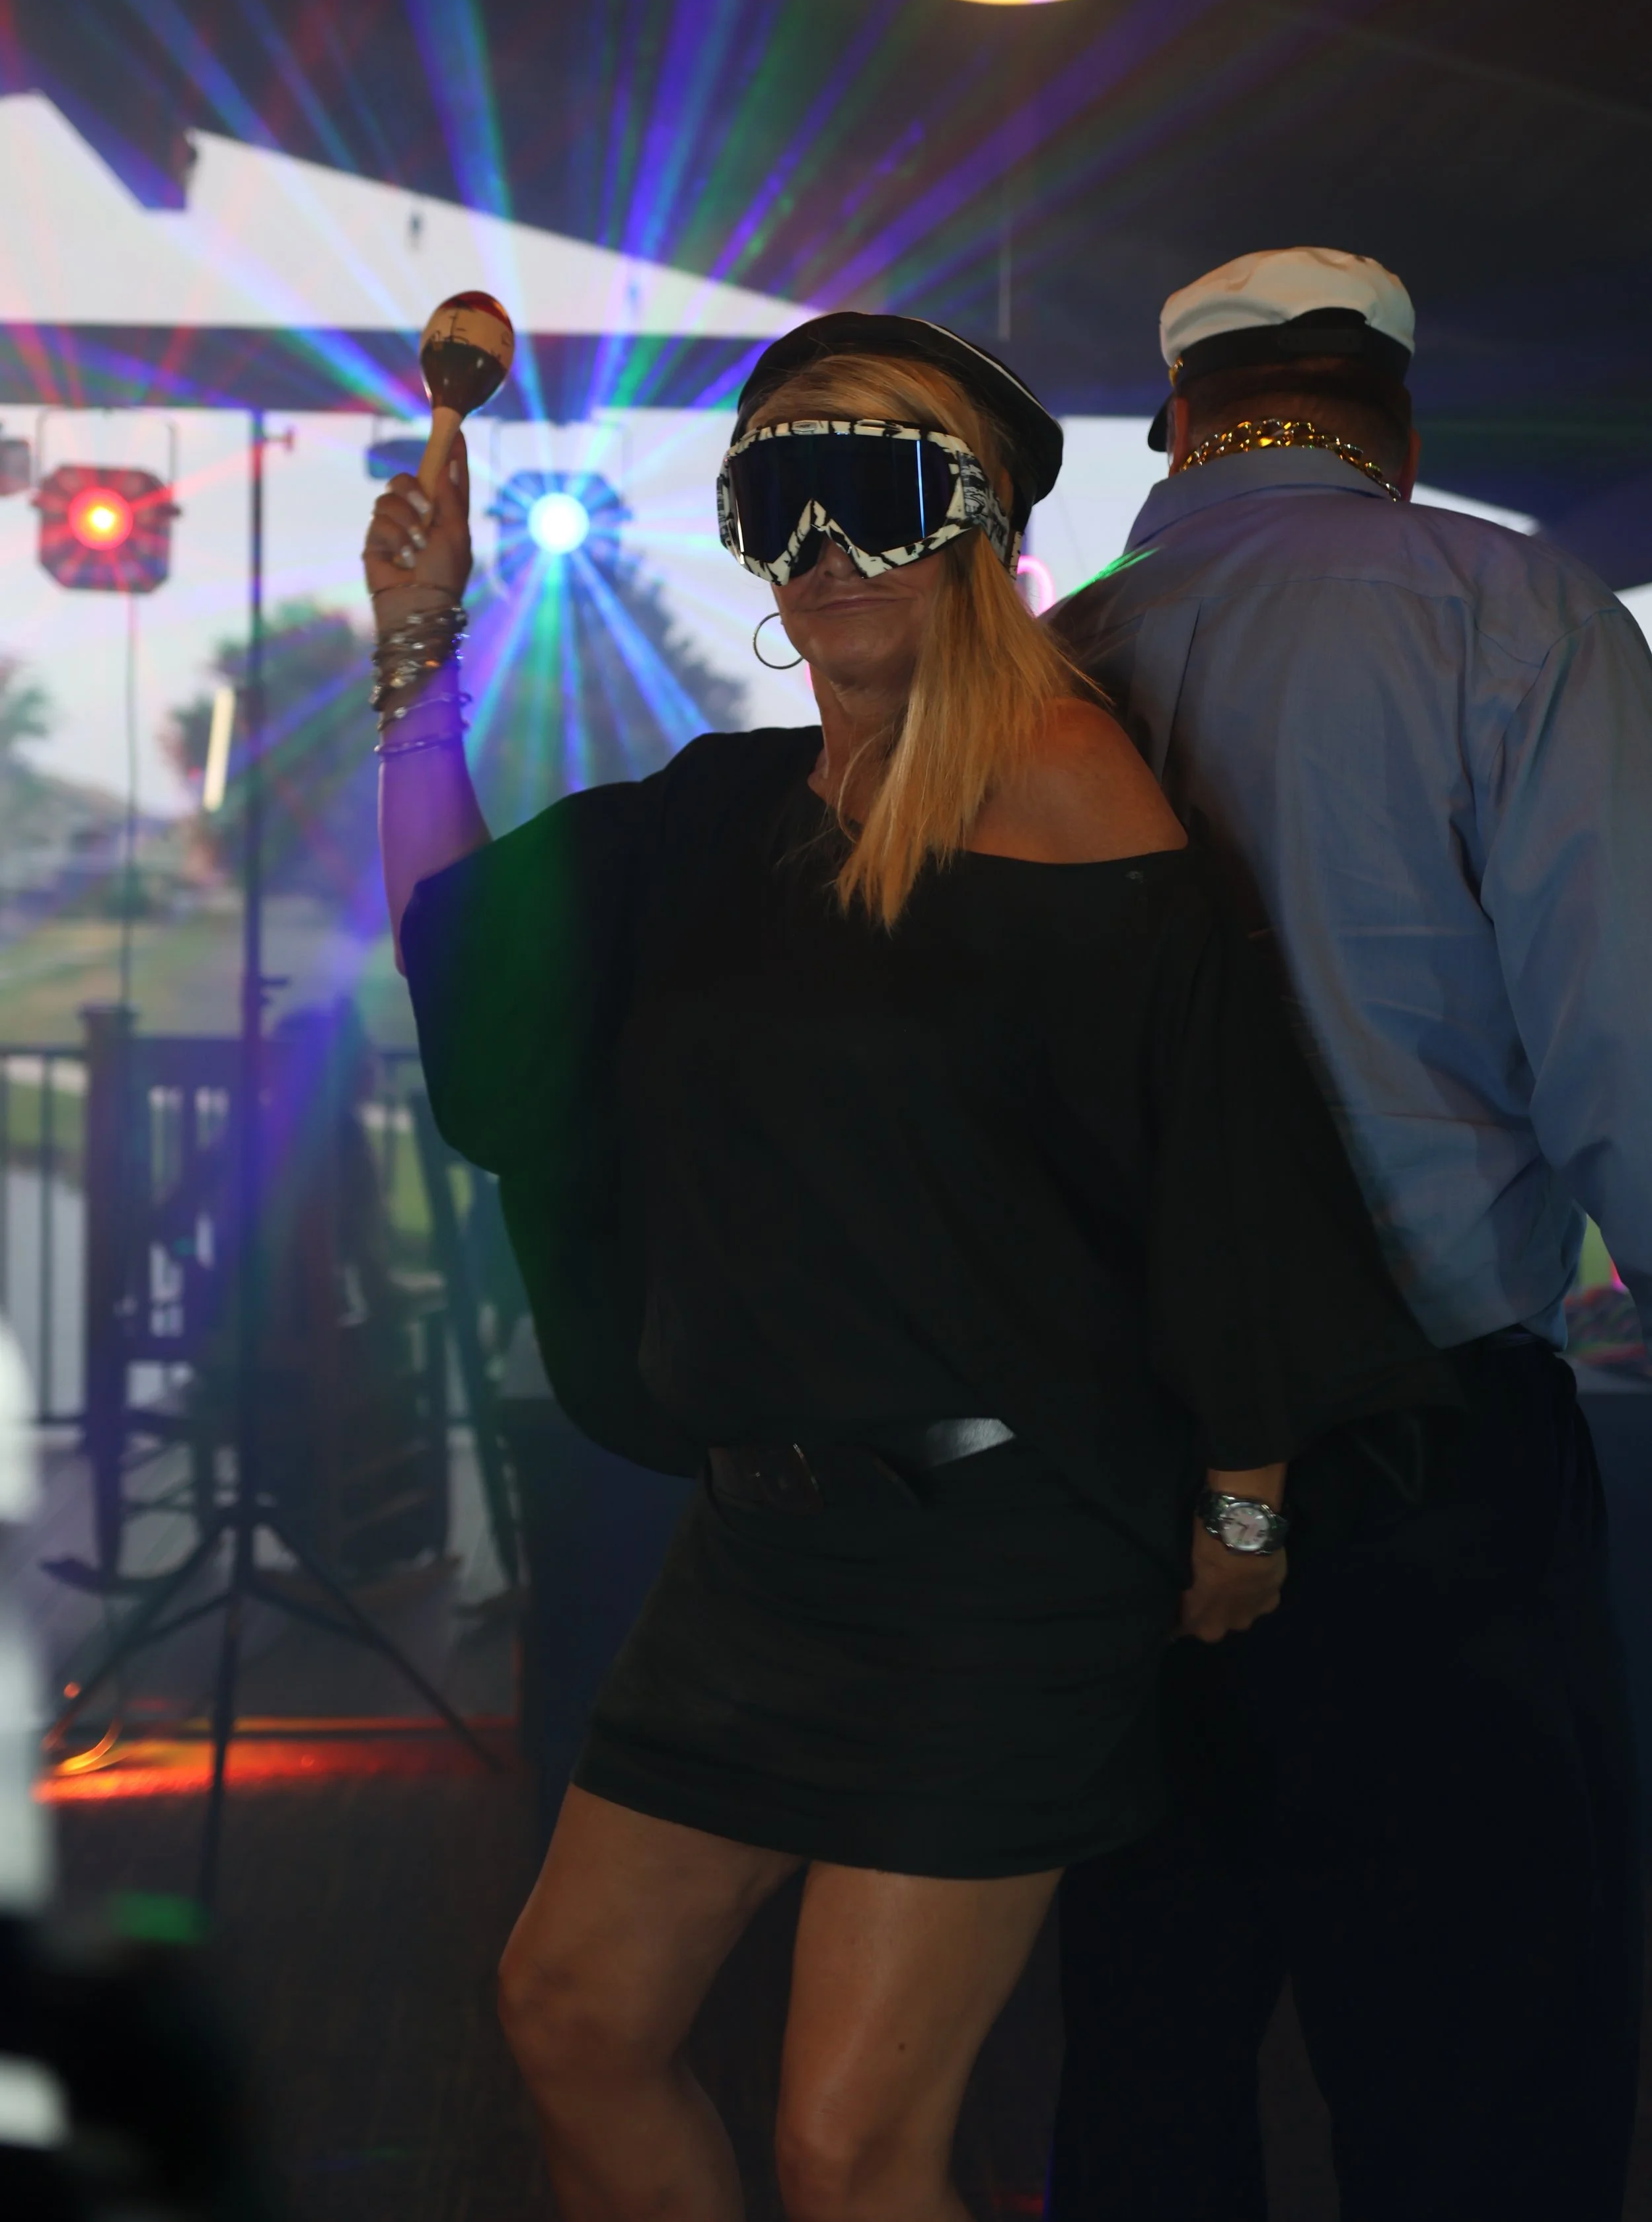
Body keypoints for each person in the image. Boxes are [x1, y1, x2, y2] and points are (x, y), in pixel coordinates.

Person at [363, 310, 1454, 2222]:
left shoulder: (1072, 790)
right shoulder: (723, 814)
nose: (824, 551)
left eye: (870, 491)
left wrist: (1248, 1492)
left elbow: (1215, 1155)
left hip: (997, 1561)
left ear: (981, 526)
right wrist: (416, 652)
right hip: (760, 1549)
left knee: (851, 2146)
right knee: (574, 2013)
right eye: (776, 502)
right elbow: (477, 955)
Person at [1047, 247, 1650, 2222]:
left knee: (1143, 2050)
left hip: (1115, 1481)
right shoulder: (1509, 611)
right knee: (1484, 2070)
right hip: (1430, 1458)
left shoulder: (1048, 661)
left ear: (1178, 424)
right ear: (1393, 419)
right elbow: (1624, 1052)